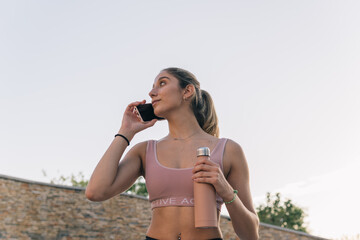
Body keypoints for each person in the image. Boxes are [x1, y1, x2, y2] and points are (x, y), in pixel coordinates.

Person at [85, 67, 259, 240]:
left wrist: (227, 191)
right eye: (153, 86)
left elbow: (251, 234)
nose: (152, 92)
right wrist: (125, 131)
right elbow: (96, 192)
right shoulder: (145, 151)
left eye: (162, 83)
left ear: (187, 91)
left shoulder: (228, 150)